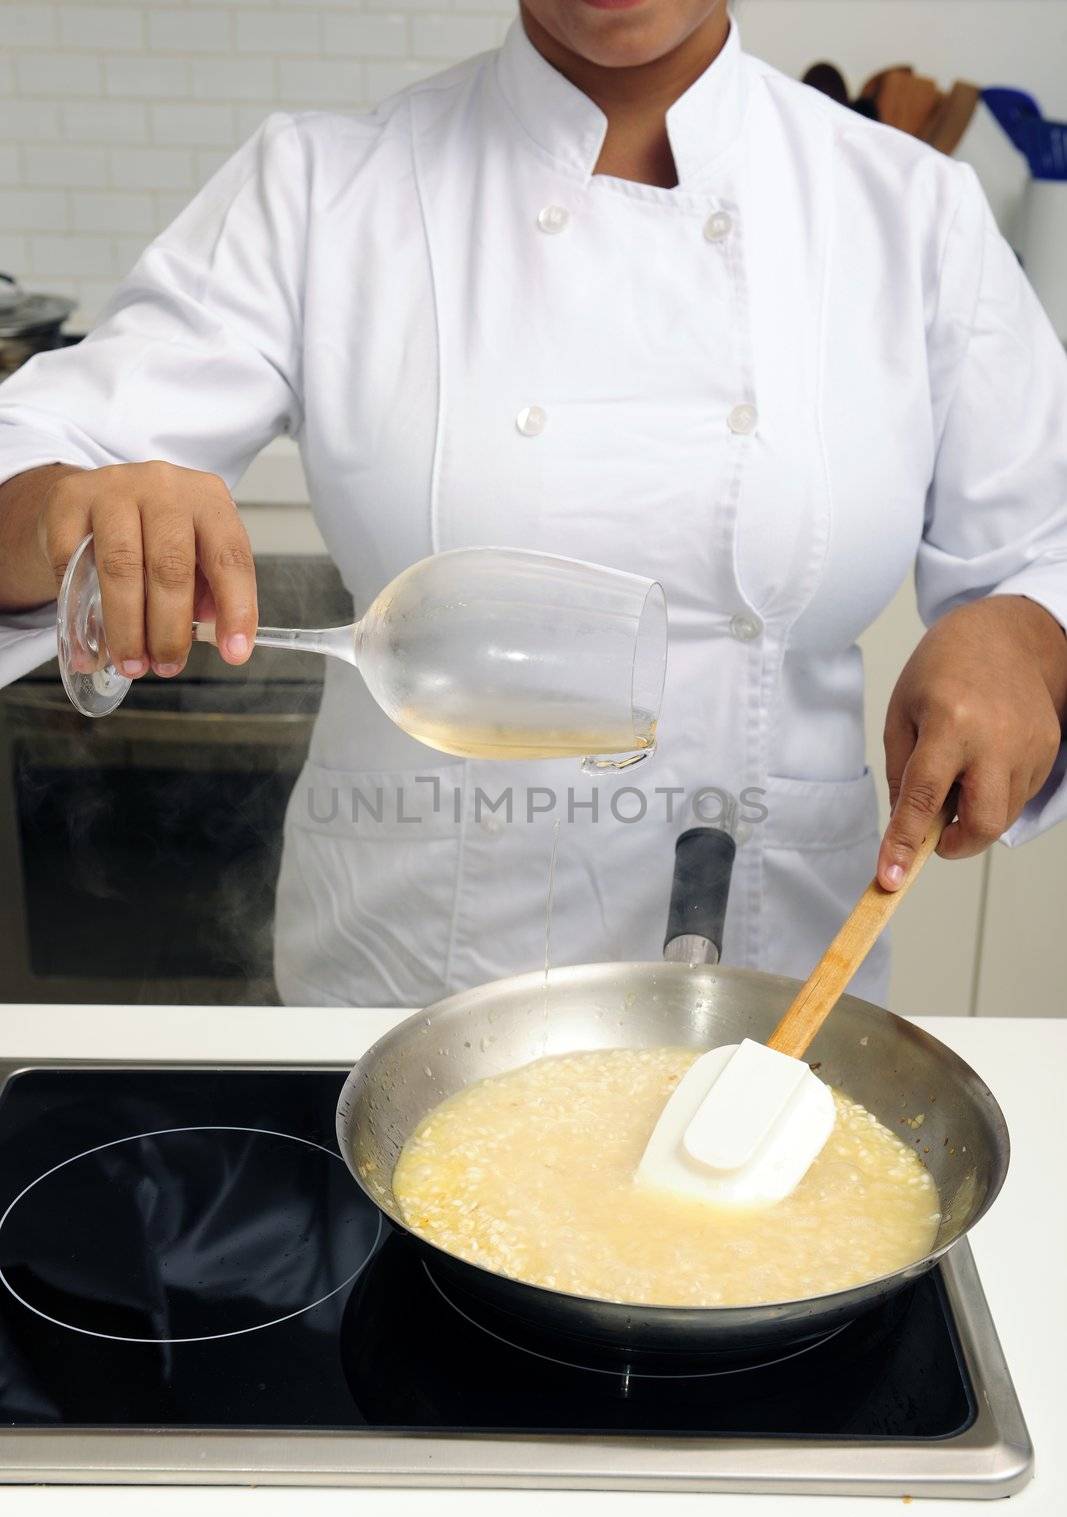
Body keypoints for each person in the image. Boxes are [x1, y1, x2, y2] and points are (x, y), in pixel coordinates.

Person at [1, 0, 1065, 1007]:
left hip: (773, 1020)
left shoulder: (909, 211)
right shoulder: (325, 186)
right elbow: (36, 454)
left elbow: (1044, 549)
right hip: (403, 1011)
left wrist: (1018, 637)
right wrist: (74, 507)